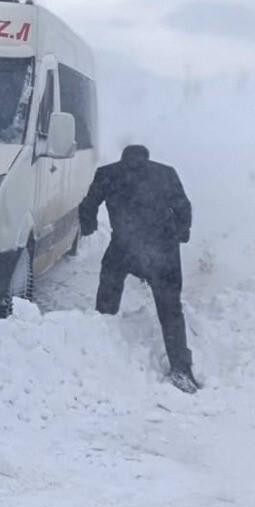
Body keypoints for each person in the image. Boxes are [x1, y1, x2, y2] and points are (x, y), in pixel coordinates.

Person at [78, 144, 199, 393]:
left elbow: (87, 206)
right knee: (170, 308)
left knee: (109, 283)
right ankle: (180, 367)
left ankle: (100, 339)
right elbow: (183, 208)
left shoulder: (108, 173)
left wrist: (88, 226)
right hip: (163, 250)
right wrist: (181, 233)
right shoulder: (165, 173)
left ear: (124, 158)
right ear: (147, 158)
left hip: (125, 246)